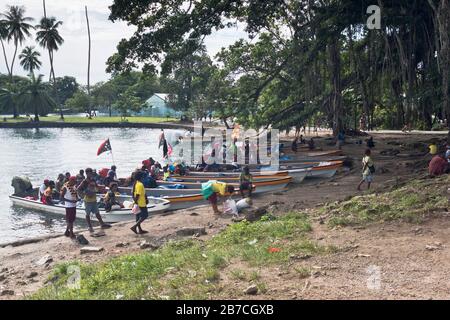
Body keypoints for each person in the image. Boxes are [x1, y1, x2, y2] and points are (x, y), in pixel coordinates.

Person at [78, 168, 111, 233]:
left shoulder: (93, 179)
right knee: (88, 214)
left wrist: (101, 188)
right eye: (90, 173)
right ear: (87, 173)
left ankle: (102, 224)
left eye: (91, 173)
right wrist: (84, 194)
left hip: (94, 199)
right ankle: (90, 227)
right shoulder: (84, 181)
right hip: (87, 201)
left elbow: (96, 186)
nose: (91, 174)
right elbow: (78, 189)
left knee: (97, 213)